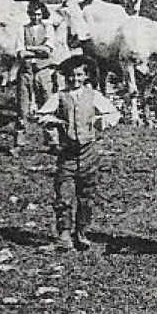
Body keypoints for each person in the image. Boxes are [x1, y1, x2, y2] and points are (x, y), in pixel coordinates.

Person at [35, 54, 121, 251]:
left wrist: (100, 122)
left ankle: (81, 233)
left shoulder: (93, 96)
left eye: (79, 75)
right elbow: (41, 115)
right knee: (64, 195)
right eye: (71, 76)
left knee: (87, 196)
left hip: (89, 152)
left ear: (86, 77)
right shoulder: (59, 96)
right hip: (67, 153)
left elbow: (114, 113)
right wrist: (56, 122)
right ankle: (64, 235)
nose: (75, 79)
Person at [15, 0, 58, 144]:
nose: (36, 17)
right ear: (29, 14)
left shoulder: (48, 28)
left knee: (47, 106)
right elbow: (20, 52)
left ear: (43, 14)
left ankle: (52, 141)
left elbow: (48, 50)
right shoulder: (22, 29)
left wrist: (30, 49)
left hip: (43, 71)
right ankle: (20, 141)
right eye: (33, 14)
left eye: (39, 14)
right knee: (22, 108)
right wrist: (38, 50)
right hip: (26, 72)